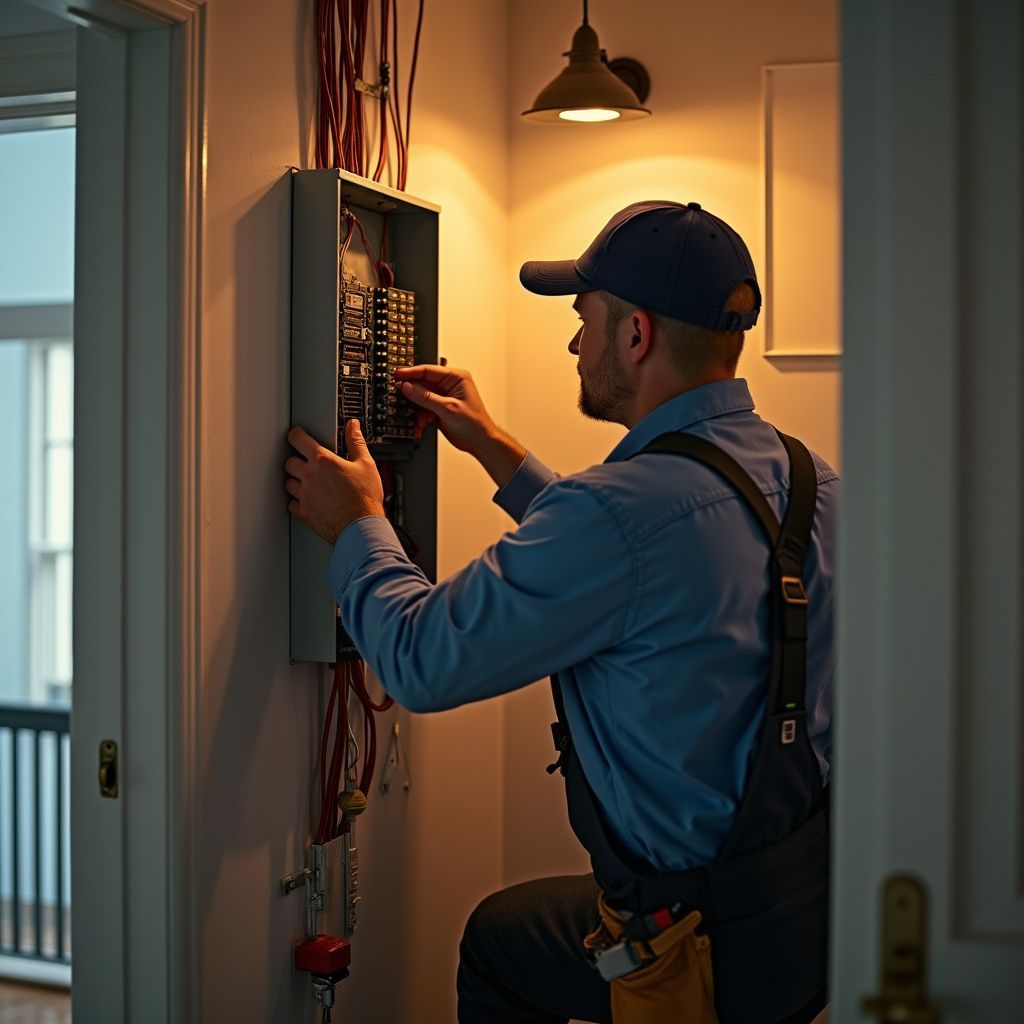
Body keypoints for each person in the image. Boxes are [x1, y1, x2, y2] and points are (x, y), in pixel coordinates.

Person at [285, 200, 836, 1024]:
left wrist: (357, 523)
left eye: (585, 320)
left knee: (498, 950)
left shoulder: (618, 513)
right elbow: (655, 562)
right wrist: (496, 450)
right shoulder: (808, 479)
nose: (575, 343)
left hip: (689, 941)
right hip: (796, 915)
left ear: (636, 335)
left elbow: (419, 660)